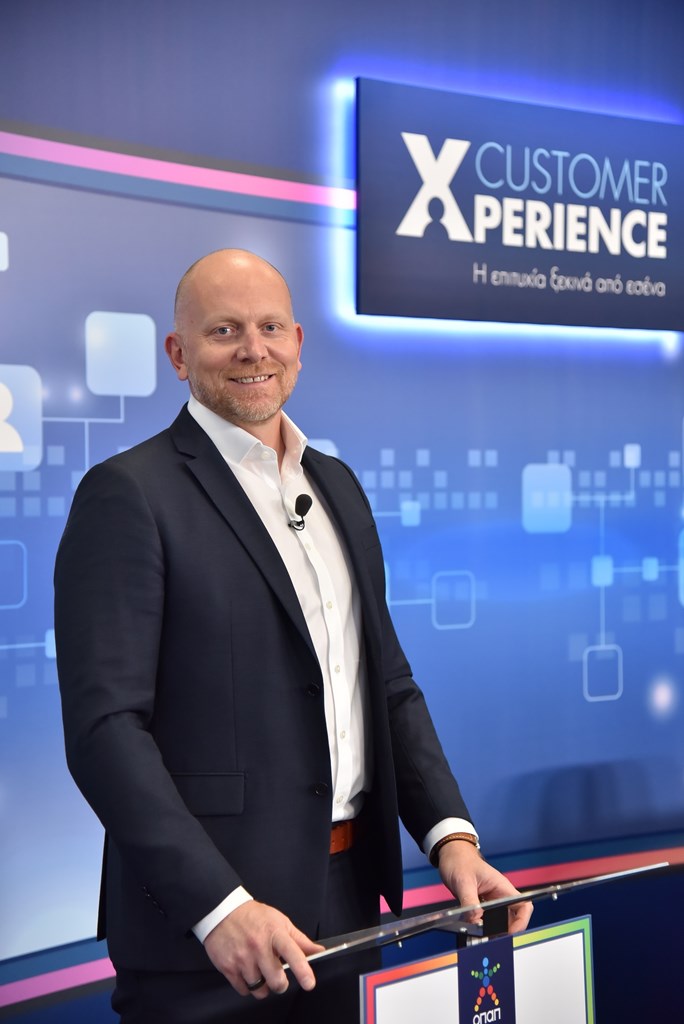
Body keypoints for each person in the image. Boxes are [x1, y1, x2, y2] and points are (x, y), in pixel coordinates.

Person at [54, 249, 532, 1023]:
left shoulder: (337, 485)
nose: (254, 349)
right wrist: (220, 907)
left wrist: (452, 840)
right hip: (205, 936)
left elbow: (386, 684)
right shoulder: (128, 494)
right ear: (178, 353)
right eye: (224, 331)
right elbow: (106, 732)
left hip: (346, 906)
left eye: (271, 327)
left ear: (299, 344)